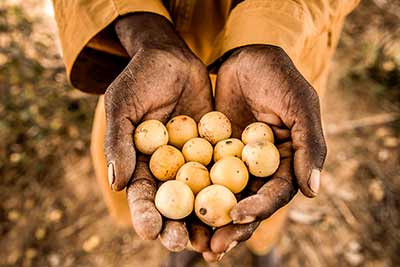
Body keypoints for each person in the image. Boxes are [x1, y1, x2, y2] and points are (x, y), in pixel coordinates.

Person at [53, 0, 360, 266]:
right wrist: (141, 28)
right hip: (152, 80)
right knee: (135, 166)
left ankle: (264, 246)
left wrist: (267, 32)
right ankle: (199, 247)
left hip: (278, 66)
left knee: (274, 172)